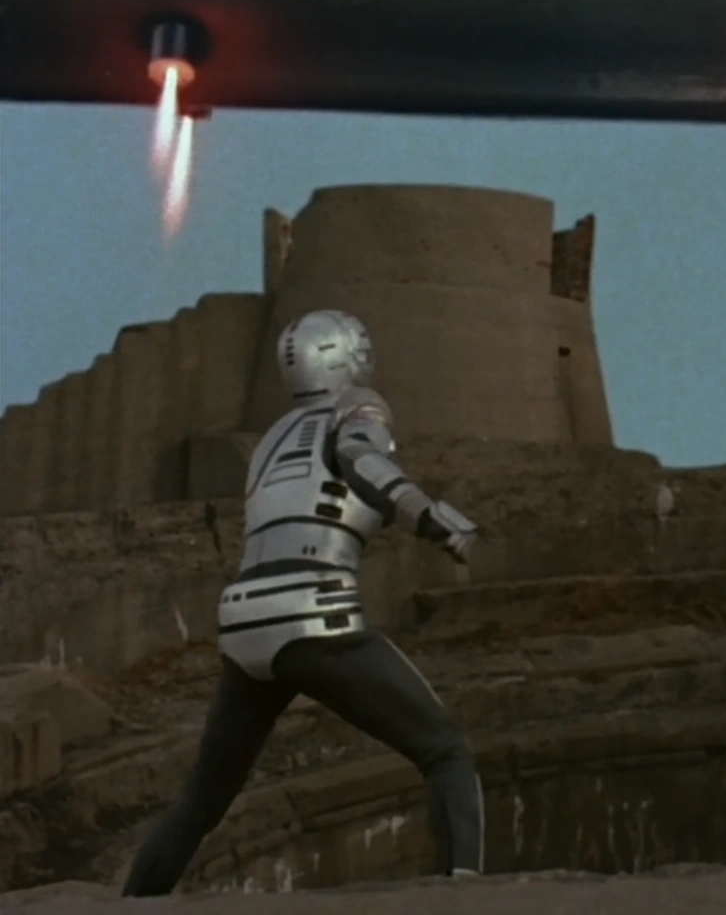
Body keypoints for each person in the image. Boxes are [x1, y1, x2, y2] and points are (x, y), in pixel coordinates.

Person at [122, 310, 485, 896]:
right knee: (446, 753)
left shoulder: (270, 440)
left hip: (244, 623)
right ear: (341, 356)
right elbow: (363, 461)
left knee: (202, 801)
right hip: (316, 612)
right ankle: (465, 895)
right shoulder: (357, 406)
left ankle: (133, 903)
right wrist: (430, 517)